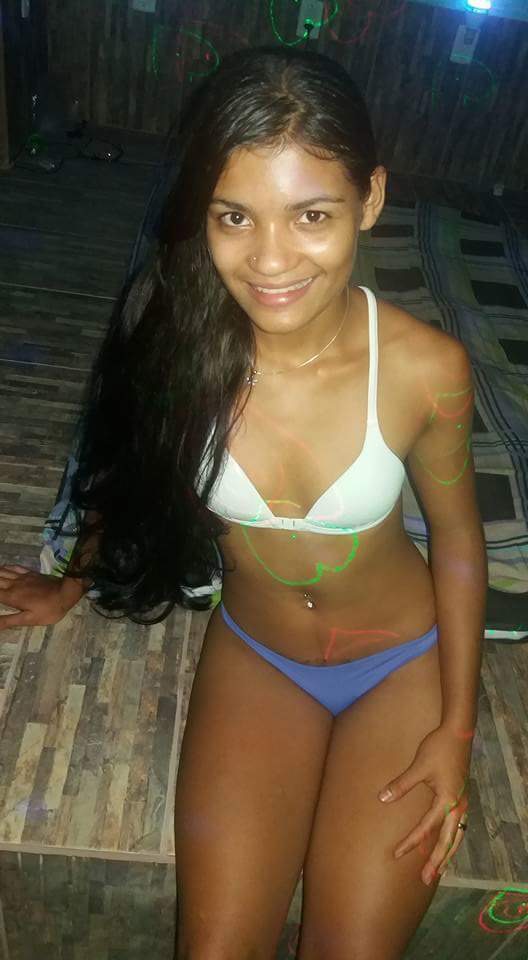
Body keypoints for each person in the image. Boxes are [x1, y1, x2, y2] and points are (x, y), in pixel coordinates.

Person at [0, 46, 488, 959]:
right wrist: (69, 582)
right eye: (235, 216)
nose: (270, 259)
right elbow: (126, 474)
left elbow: (459, 542)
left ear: (371, 201)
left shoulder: (426, 368)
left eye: (312, 215)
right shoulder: (173, 342)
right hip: (260, 657)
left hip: (402, 666)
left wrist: (458, 730)